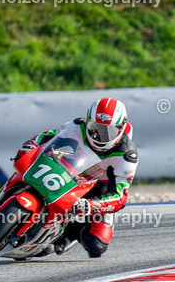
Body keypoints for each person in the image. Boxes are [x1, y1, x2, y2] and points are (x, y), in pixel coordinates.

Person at [17, 97, 138, 258]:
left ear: (121, 128)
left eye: (109, 132)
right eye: (95, 128)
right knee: (25, 163)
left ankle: (68, 234)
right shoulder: (77, 126)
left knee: (96, 244)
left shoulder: (127, 154)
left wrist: (92, 205)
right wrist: (31, 145)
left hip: (97, 191)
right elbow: (47, 136)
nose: (100, 136)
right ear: (87, 121)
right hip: (67, 170)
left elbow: (120, 196)